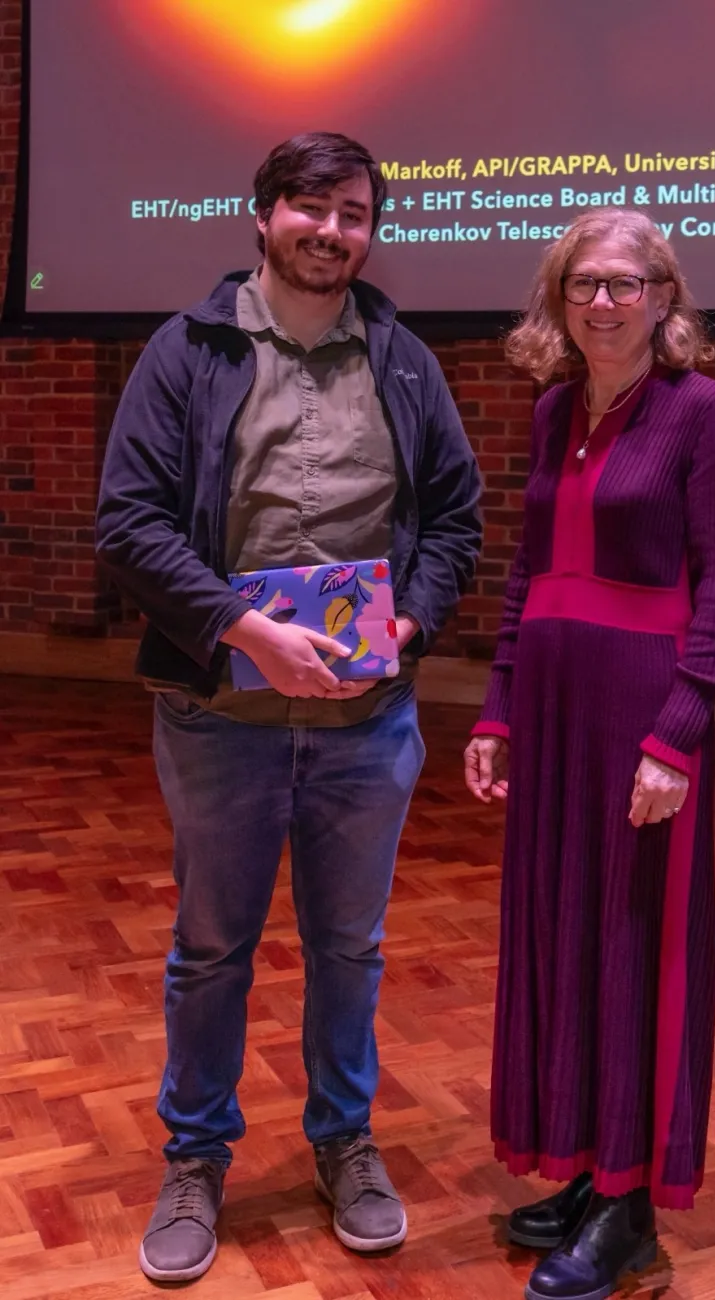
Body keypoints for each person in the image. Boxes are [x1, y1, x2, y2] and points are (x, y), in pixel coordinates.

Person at [95, 132, 482, 1283]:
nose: (332, 230)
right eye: (310, 208)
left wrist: (406, 626)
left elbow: (455, 520)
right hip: (224, 719)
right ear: (261, 216)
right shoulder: (188, 352)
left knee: (349, 949)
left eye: (354, 212)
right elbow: (130, 524)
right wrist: (242, 628)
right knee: (211, 949)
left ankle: (344, 1141)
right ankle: (197, 1155)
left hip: (369, 726)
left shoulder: (404, 361)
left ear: (372, 229)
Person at [463, 208, 715, 1300]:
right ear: (559, 297)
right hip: (551, 705)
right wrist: (495, 708)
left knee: (636, 947)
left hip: (640, 709)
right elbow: (528, 570)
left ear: (665, 299)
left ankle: (630, 1206)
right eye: (584, 282)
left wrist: (680, 730)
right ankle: (584, 1167)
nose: (604, 301)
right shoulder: (550, 411)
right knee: (562, 935)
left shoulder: (702, 411)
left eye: (628, 283)